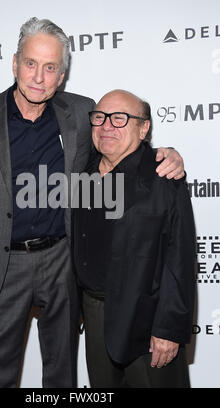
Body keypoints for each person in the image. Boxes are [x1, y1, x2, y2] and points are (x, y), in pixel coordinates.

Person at [0, 17, 185, 388]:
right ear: (14, 63)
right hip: (0, 263)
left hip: (63, 262)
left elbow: (120, 149)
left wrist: (165, 155)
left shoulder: (81, 113)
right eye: (30, 63)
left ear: (61, 77)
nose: (38, 77)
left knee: (63, 373)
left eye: (50, 67)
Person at [73, 89, 196, 388]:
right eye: (99, 118)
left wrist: (168, 328)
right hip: (94, 314)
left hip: (146, 320)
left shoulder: (163, 177)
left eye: (120, 118)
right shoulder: (82, 172)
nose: (106, 126)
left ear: (144, 128)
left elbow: (180, 259)